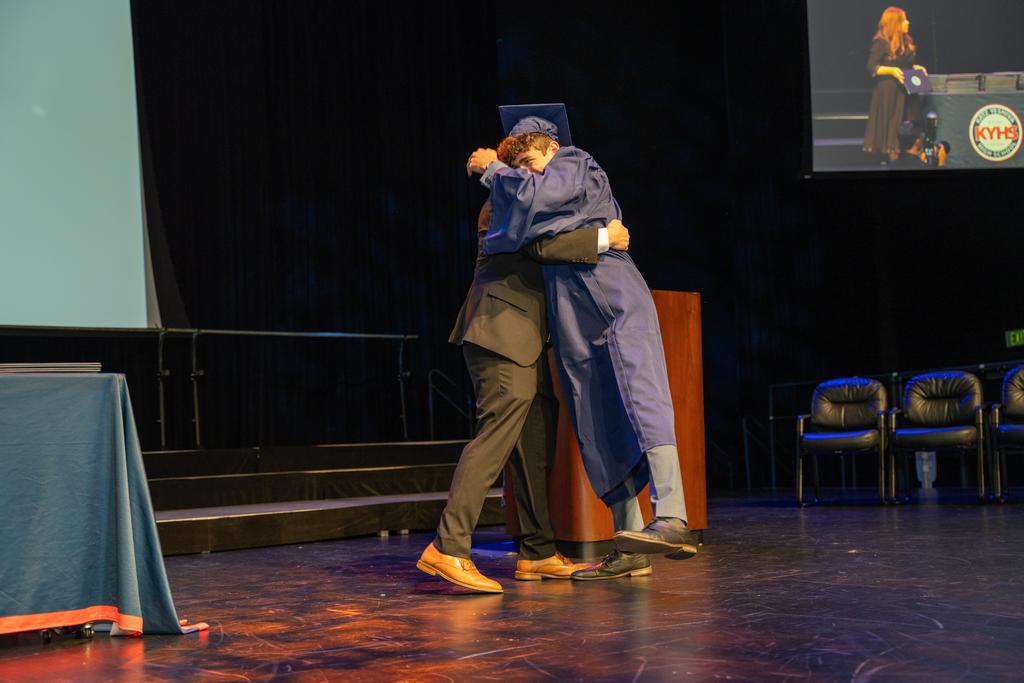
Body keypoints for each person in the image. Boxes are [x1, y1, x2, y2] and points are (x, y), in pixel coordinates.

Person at [466, 104, 700, 581]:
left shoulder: (575, 161)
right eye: (517, 168)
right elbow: (523, 238)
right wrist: (597, 236)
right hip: (571, 312)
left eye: (529, 162)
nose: (525, 174)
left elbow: (536, 206)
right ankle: (630, 543)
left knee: (642, 395)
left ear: (552, 147)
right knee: (598, 422)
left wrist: (493, 170)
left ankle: (673, 514)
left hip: (611, 293)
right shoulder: (529, 188)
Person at [416, 197, 631, 593]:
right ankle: (448, 546)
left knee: (534, 447)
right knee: (495, 438)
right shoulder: (507, 199)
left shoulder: (532, 199)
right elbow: (542, 246)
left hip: (529, 341)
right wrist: (603, 237)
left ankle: (538, 551)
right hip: (500, 333)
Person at [863, 6, 929, 162]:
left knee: (910, 124)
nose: (908, 22)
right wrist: (891, 71)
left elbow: (904, 63)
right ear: (895, 23)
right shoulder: (881, 42)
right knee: (893, 128)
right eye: (904, 20)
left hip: (906, 90)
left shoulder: (906, 40)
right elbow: (871, 66)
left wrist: (915, 68)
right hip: (890, 92)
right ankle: (894, 162)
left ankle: (914, 159)